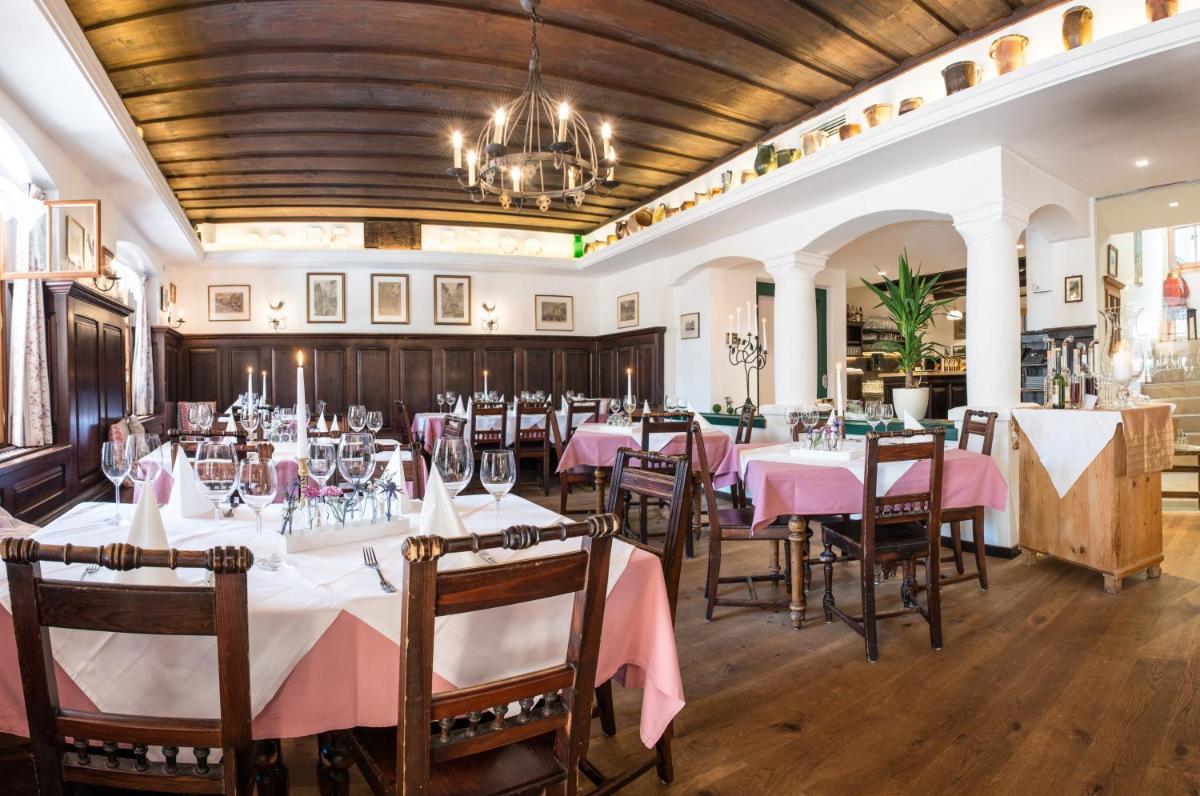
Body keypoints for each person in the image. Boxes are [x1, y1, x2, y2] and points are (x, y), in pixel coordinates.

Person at [1163, 261, 1192, 339]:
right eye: (1177, 269)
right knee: (1174, 329)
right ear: (1172, 270)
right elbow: (1167, 296)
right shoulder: (1168, 281)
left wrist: (1183, 302)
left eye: (1179, 269)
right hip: (1173, 308)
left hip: (1182, 307)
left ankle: (1182, 340)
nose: (1179, 270)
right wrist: (1174, 305)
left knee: (1183, 331)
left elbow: (1187, 292)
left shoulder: (1181, 279)